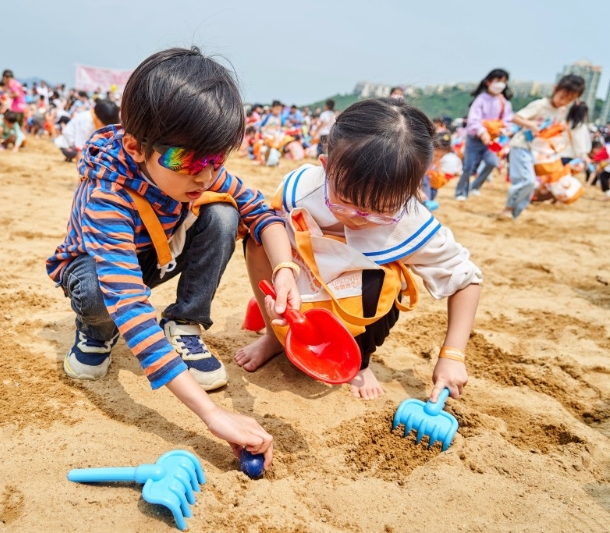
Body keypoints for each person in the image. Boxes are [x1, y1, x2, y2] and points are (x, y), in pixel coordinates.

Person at [46, 48, 303, 469]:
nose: (204, 175)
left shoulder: (198, 169)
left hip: (156, 255)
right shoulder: (106, 198)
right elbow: (130, 304)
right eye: (187, 161)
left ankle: (184, 323)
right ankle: (96, 332)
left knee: (223, 213)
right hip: (97, 269)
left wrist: (285, 271)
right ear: (135, 147)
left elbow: (262, 212)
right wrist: (212, 414)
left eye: (216, 159)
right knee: (97, 290)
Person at [235, 98, 481, 402]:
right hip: (301, 285)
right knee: (260, 238)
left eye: (380, 211)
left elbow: (465, 279)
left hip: (355, 304)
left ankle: (360, 361)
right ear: (327, 167)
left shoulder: (410, 222)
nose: (357, 217)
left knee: (386, 280)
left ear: (412, 192)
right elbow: (269, 225)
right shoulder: (302, 188)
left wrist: (452, 355)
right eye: (345, 201)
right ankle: (274, 338)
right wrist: (283, 271)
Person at [500, 75, 585, 220]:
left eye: (569, 100)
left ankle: (515, 214)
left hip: (538, 152)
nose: (564, 101)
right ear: (555, 89)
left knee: (532, 184)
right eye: (562, 97)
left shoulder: (561, 111)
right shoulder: (540, 105)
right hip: (522, 145)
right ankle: (508, 209)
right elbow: (514, 117)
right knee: (527, 181)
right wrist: (530, 124)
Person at [456, 69, 514, 200]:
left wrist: (502, 131)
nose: (501, 84)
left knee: (492, 162)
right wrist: (482, 132)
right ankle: (461, 192)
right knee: (468, 167)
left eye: (504, 81)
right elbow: (473, 120)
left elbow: (508, 122)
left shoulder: (504, 103)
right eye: (498, 80)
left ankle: (475, 186)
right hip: (475, 138)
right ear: (488, 82)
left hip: (492, 140)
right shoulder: (480, 99)